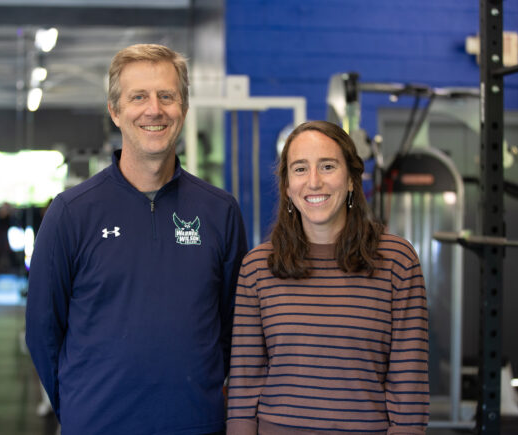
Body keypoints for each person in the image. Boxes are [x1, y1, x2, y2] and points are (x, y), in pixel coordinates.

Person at [25, 43, 248, 434]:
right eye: (138, 97)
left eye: (167, 96)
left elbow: (234, 327)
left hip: (195, 425)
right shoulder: (71, 212)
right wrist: (79, 407)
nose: (154, 109)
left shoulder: (220, 212)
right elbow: (43, 329)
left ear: (184, 108)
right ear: (115, 111)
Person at [226, 121, 429, 434]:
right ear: (287, 186)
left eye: (328, 166)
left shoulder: (396, 261)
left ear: (350, 180)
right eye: (300, 169)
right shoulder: (258, 267)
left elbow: (409, 391)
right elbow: (243, 388)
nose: (314, 182)